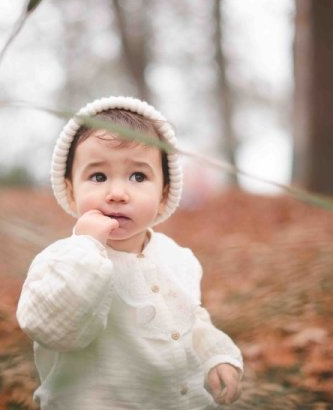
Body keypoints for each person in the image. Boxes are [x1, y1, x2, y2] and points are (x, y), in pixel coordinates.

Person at [17, 96, 243, 409]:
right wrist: (87, 248)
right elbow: (54, 329)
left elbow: (191, 317)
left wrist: (215, 356)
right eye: (98, 176)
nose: (118, 194)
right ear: (71, 190)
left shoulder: (178, 257)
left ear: (164, 195)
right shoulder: (60, 260)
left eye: (138, 176)